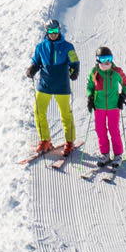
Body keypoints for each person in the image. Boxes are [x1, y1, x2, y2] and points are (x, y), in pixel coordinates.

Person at [25, 19, 80, 155]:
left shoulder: (68, 46)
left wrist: (74, 71)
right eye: (51, 31)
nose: (54, 34)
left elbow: (74, 61)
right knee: (38, 111)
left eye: (56, 31)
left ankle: (69, 141)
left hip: (61, 84)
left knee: (65, 113)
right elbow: (36, 61)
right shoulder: (41, 47)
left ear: (59, 30)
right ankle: (45, 140)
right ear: (46, 32)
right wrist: (32, 69)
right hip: (45, 84)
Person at [86, 47, 126, 166]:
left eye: (109, 59)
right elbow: (89, 86)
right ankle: (104, 154)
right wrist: (90, 97)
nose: (106, 62)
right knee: (100, 130)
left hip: (113, 106)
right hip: (99, 106)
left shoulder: (116, 72)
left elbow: (125, 83)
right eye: (103, 59)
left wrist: (123, 96)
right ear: (98, 60)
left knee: (113, 130)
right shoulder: (94, 72)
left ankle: (118, 155)